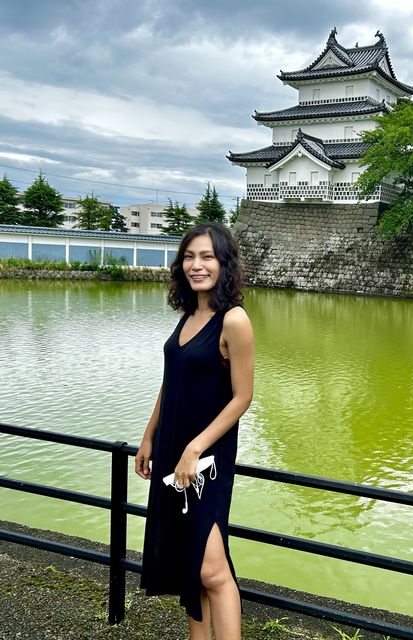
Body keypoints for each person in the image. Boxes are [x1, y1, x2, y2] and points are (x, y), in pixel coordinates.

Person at [135, 222, 253, 640]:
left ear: (224, 263)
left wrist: (195, 447)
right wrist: (150, 436)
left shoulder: (233, 320)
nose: (196, 265)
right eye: (189, 256)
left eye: (206, 257)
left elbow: (242, 397)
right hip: (173, 449)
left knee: (212, 570)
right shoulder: (189, 314)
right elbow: (172, 381)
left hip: (207, 458)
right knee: (189, 561)